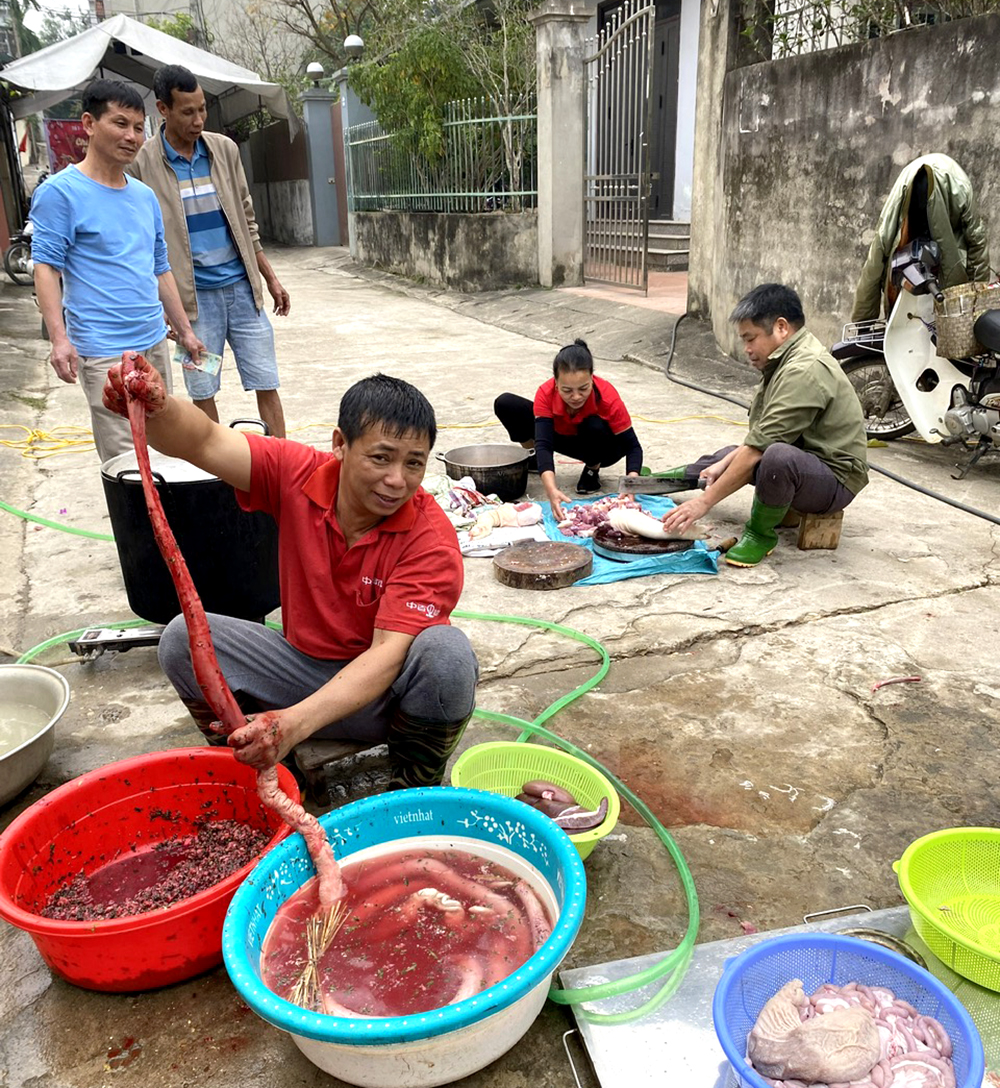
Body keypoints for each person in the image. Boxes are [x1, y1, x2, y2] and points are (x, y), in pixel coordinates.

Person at [102, 362, 479, 790]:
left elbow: (388, 655)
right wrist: (159, 409)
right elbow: (206, 440)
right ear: (340, 444)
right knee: (180, 639)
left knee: (447, 653)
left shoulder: (430, 538)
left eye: (415, 463)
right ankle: (261, 769)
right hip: (298, 671)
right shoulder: (297, 472)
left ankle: (414, 784)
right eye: (381, 457)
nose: (397, 480)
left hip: (382, 700)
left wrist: (293, 724)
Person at [30, 79, 204, 464]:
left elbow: (160, 269)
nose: (132, 136)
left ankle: (164, 525)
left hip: (153, 344)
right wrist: (60, 339)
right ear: (89, 124)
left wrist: (186, 332)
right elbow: (46, 268)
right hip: (104, 352)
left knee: (164, 452)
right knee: (127, 463)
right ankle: (137, 527)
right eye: (121, 124)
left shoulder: (144, 197)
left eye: (139, 128)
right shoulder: (61, 193)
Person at [128, 65, 290, 439]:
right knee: (202, 391)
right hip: (192, 303)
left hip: (242, 291)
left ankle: (283, 463)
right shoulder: (143, 164)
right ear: (162, 109)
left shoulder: (224, 150)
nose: (199, 119)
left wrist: (269, 276)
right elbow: (144, 246)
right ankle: (216, 471)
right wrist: (168, 310)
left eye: (202, 109)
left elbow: (246, 220)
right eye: (188, 111)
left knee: (267, 379)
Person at [659, 284, 868, 567]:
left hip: (834, 480)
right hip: (805, 461)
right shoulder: (784, 360)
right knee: (730, 455)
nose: (746, 349)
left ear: (781, 327)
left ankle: (760, 534)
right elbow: (759, 437)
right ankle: (657, 482)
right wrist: (725, 464)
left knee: (776, 458)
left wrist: (704, 503)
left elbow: (762, 448)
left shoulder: (804, 369)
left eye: (750, 338)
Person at [494, 339, 643, 520]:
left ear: (592, 378)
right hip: (562, 436)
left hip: (602, 446)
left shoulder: (607, 396)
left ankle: (592, 469)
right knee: (506, 403)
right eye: (567, 390)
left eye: (583, 388)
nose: (576, 397)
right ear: (556, 383)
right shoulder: (546, 393)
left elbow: (633, 447)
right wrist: (551, 490)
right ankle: (531, 458)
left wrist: (631, 485)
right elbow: (544, 444)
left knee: (594, 425)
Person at [852, 153, 990, 323]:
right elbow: (876, 258)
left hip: (949, 245)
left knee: (951, 312)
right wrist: (862, 324)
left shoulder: (959, 187)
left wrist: (977, 302)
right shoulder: (903, 195)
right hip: (909, 227)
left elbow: (977, 242)